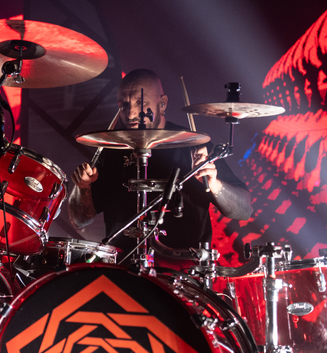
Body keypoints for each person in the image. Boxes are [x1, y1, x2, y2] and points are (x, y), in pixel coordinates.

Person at [68, 69, 252, 267]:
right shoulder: (111, 149)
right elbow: (80, 220)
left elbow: (243, 211)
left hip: (183, 272)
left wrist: (215, 184)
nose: (130, 114)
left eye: (140, 103)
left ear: (162, 104)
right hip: (123, 270)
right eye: (124, 105)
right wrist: (83, 187)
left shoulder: (193, 145)